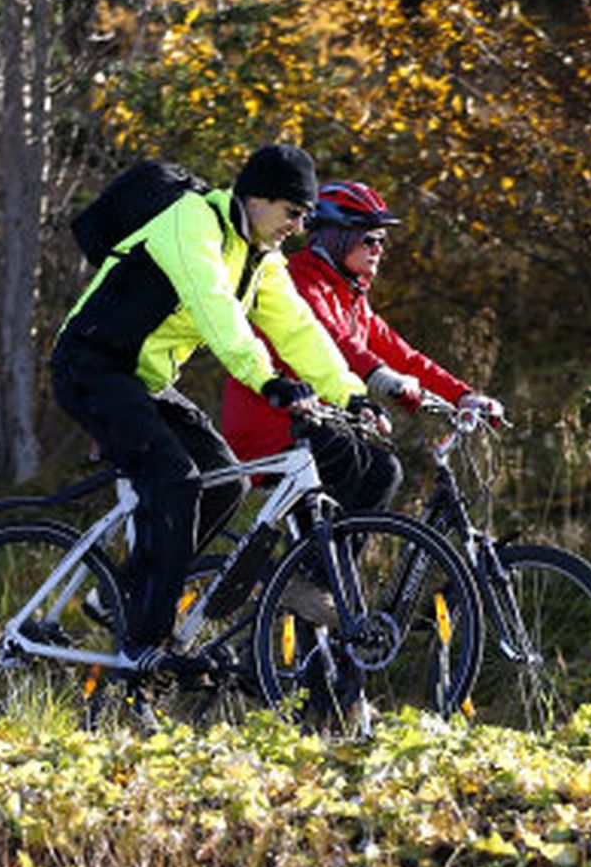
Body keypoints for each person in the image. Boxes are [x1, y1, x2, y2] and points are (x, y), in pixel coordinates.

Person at [50, 143, 381, 676]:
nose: (298, 227)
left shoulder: (260, 257)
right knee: (176, 479)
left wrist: (350, 393)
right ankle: (145, 642)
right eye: (293, 213)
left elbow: (298, 330)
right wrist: (267, 381)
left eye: (304, 216)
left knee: (226, 481)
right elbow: (215, 310)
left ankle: (120, 594)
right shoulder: (193, 222)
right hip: (89, 366)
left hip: (144, 381)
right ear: (256, 199)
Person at [219, 180, 505, 505]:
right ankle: (320, 558)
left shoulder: (351, 297)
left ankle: (317, 558)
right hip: (270, 425)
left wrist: (464, 395)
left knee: (353, 495)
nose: (378, 249)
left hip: (313, 424)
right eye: (368, 239)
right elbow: (334, 340)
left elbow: (404, 355)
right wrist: (381, 376)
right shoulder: (298, 279)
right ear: (335, 237)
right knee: (379, 470)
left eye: (382, 240)